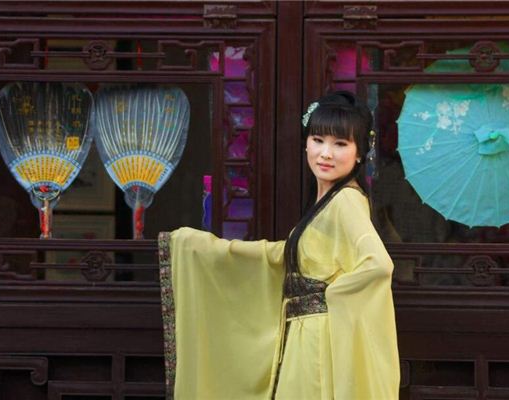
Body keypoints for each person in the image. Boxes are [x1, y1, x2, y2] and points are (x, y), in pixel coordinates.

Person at [158, 91, 400, 399]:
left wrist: (330, 298)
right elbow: (284, 255)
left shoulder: (346, 201)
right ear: (306, 143)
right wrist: (206, 248)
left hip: (317, 342)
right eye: (318, 140)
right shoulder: (328, 203)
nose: (326, 153)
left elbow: (378, 265)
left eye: (340, 144)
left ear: (360, 153)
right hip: (305, 337)